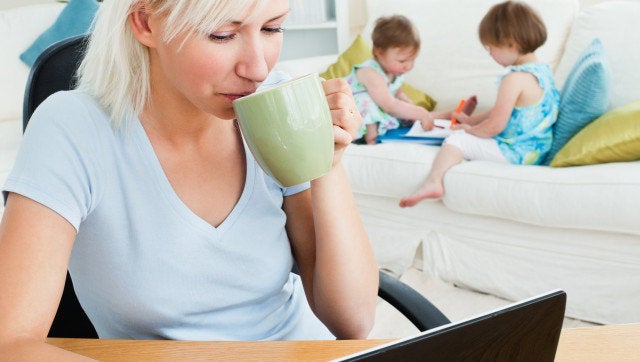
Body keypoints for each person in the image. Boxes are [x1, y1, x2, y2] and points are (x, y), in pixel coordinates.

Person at [0, 0, 379, 357]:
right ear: (145, 22)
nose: (258, 69)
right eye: (222, 35)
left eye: (272, 28)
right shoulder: (73, 128)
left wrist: (326, 163)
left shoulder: (276, 106)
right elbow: (10, 344)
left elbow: (353, 321)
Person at [399, 0, 560, 207]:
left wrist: (468, 130)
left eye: (490, 47)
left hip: (515, 153)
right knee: (463, 131)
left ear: (511, 44)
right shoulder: (542, 73)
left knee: (456, 140)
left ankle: (434, 181)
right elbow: (505, 111)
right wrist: (472, 120)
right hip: (535, 150)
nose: (490, 54)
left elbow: (495, 126)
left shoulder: (513, 79)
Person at [344, 15, 438, 145]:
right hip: (350, 114)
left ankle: (448, 116)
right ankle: (371, 140)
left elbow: (398, 94)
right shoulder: (370, 72)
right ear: (379, 52)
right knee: (368, 101)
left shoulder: (395, 72)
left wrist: (408, 104)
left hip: (380, 110)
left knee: (405, 109)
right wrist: (420, 112)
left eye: (412, 60)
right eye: (402, 61)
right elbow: (389, 106)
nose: (409, 66)